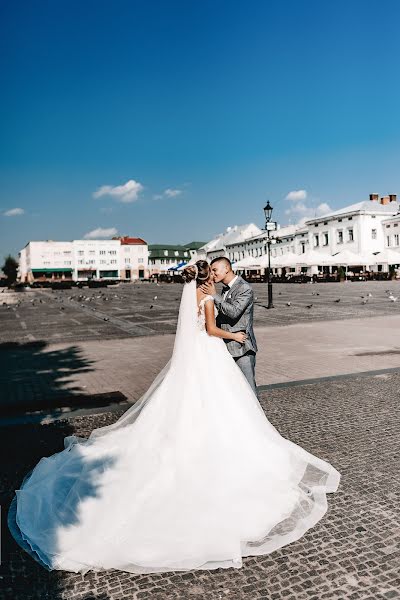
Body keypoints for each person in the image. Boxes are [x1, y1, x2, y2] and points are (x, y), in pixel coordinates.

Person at [8, 260, 340, 576]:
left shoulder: (193, 296)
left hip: (193, 359)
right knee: (221, 402)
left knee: (191, 402)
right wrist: (234, 336)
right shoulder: (207, 297)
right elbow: (210, 330)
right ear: (205, 277)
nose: (212, 276)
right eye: (210, 272)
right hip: (210, 356)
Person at [199, 256, 258, 396]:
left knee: (248, 390)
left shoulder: (244, 287)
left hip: (241, 347)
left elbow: (234, 312)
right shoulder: (226, 289)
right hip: (225, 346)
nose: (212, 274)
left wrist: (214, 295)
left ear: (226, 268)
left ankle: (254, 417)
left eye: (214, 270)